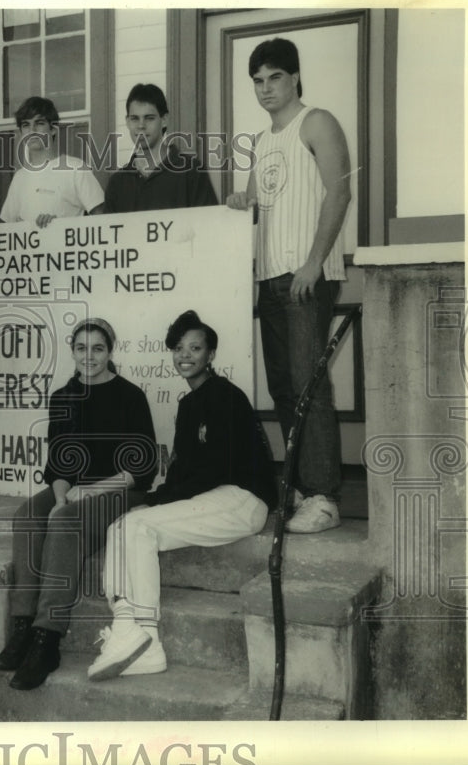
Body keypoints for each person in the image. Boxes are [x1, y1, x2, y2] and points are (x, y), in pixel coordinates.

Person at [87, 311, 277, 681]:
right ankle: (135, 635)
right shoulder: (189, 404)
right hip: (212, 497)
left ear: (210, 355)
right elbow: (183, 470)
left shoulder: (225, 396)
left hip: (242, 498)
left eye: (195, 348)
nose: (185, 355)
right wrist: (158, 496)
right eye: (178, 348)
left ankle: (140, 637)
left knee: (138, 527)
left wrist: (157, 501)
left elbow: (214, 469)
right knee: (122, 527)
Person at [0, 318, 157, 690]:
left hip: (121, 492)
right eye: (82, 348)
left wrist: (86, 493)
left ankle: (48, 639)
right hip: (75, 489)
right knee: (28, 517)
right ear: (73, 351)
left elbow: (142, 468)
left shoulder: (130, 396)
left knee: (64, 523)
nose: (89, 356)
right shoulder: (64, 397)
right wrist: (62, 495)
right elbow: (59, 465)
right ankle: (22, 629)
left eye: (98, 348)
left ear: (110, 351)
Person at [226, 37, 351, 533]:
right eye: (257, 81)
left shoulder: (317, 121)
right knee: (282, 386)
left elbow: (340, 191)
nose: (265, 88)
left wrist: (314, 262)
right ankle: (299, 489)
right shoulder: (260, 142)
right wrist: (241, 205)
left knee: (308, 385)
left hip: (305, 276)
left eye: (274, 77)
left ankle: (324, 497)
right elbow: (259, 208)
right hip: (269, 278)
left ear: (295, 77)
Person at [102, 83, 217, 213]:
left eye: (149, 118)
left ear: (164, 120)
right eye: (134, 118)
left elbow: (209, 226)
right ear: (127, 122)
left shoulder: (192, 172)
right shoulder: (117, 184)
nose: (141, 125)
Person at [0, 96, 105, 228]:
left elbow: (102, 219)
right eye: (26, 125)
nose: (32, 130)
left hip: (65, 247)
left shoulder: (75, 168)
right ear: (21, 133)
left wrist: (59, 225)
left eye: (39, 123)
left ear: (53, 129)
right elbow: (4, 230)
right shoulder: (19, 177)